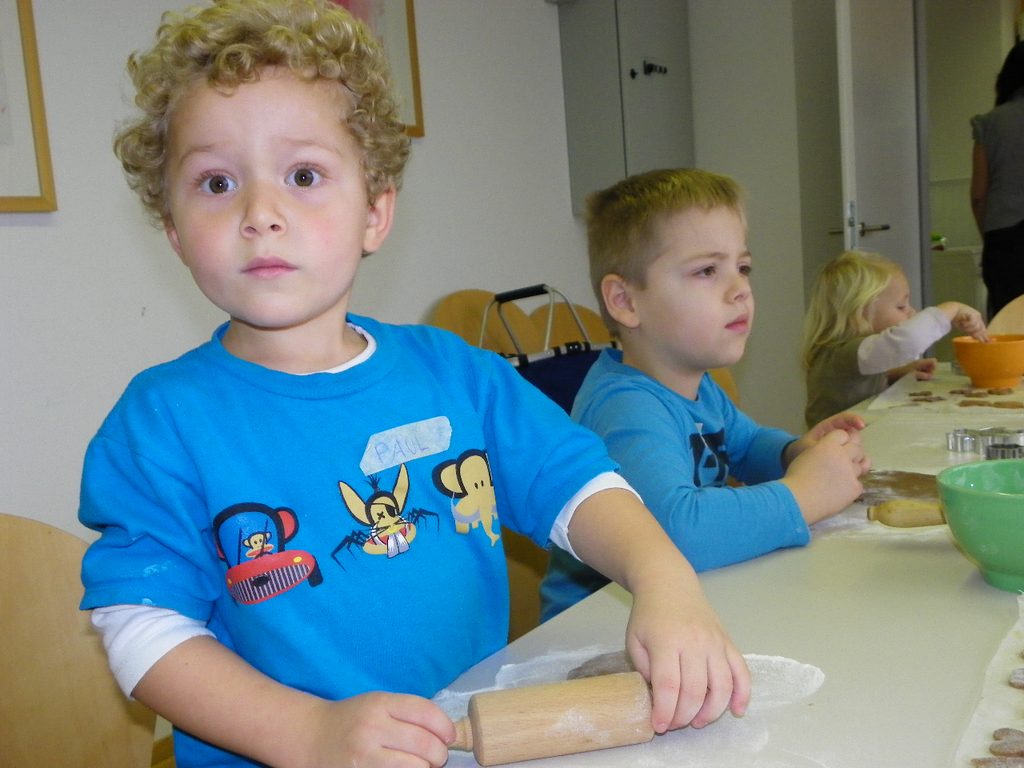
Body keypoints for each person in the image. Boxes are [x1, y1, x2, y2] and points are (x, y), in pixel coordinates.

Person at [77, 3, 751, 766]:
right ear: (173, 228)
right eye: (216, 181)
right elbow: (142, 627)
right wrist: (308, 734)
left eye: (303, 175)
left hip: (466, 742)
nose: (260, 213)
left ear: (375, 211)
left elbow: (577, 483)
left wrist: (663, 579)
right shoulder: (160, 423)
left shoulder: (454, 372)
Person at [539, 168, 870, 622]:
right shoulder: (625, 406)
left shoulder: (696, 384)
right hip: (597, 627)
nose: (741, 290)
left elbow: (746, 445)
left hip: (675, 610)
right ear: (626, 301)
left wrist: (797, 452)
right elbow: (678, 532)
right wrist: (805, 494)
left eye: (743, 267)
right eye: (707, 271)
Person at [803, 250, 988, 427]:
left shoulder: (851, 352)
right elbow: (907, 341)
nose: (912, 312)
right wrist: (952, 308)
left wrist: (894, 374)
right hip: (834, 446)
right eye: (901, 306)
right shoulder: (844, 352)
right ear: (861, 312)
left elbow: (853, 384)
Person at [971, 40, 1024, 319]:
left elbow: (979, 194)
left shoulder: (990, 122)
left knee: (1009, 324)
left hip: (1006, 239)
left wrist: (990, 239)